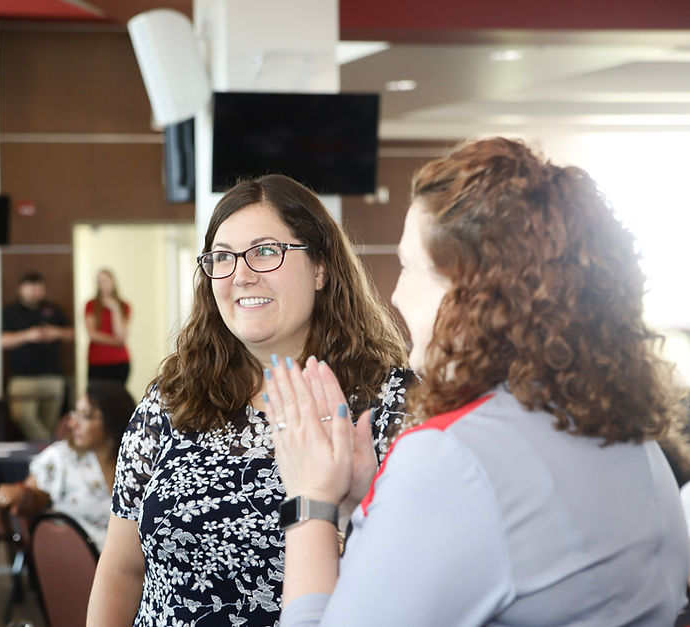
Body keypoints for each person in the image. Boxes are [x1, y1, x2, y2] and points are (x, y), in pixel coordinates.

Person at [262, 137, 690, 625]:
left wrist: (310, 500)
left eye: (410, 266)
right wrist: (367, 505)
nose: (397, 294)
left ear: (472, 293)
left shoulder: (451, 457)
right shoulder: (637, 443)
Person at [87, 174, 413, 626]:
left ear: (320, 267)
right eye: (222, 257)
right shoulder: (173, 398)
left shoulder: (393, 404)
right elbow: (122, 569)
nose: (241, 274)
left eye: (265, 251)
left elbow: (414, 578)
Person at [0, 379, 136, 550]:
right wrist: (21, 493)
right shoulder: (62, 456)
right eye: (75, 413)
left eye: (85, 416)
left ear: (113, 421)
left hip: (131, 562)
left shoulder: (136, 462)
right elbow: (35, 495)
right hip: (79, 561)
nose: (72, 423)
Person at [1, 271, 74, 441]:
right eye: (30, 286)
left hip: (52, 377)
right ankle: (49, 447)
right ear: (21, 289)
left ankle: (47, 452)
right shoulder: (10, 311)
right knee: (22, 416)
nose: (35, 290)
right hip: (22, 378)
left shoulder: (54, 310)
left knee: (52, 423)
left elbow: (72, 334)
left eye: (38, 286)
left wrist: (55, 332)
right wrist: (28, 335)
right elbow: (1, 340)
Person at [85, 268, 132, 384]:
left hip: (119, 361)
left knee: (118, 397)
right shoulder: (91, 305)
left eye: (105, 281)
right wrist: (116, 342)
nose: (102, 285)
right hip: (97, 360)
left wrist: (115, 310)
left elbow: (121, 335)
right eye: (99, 282)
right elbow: (93, 334)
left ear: (113, 282)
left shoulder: (124, 306)